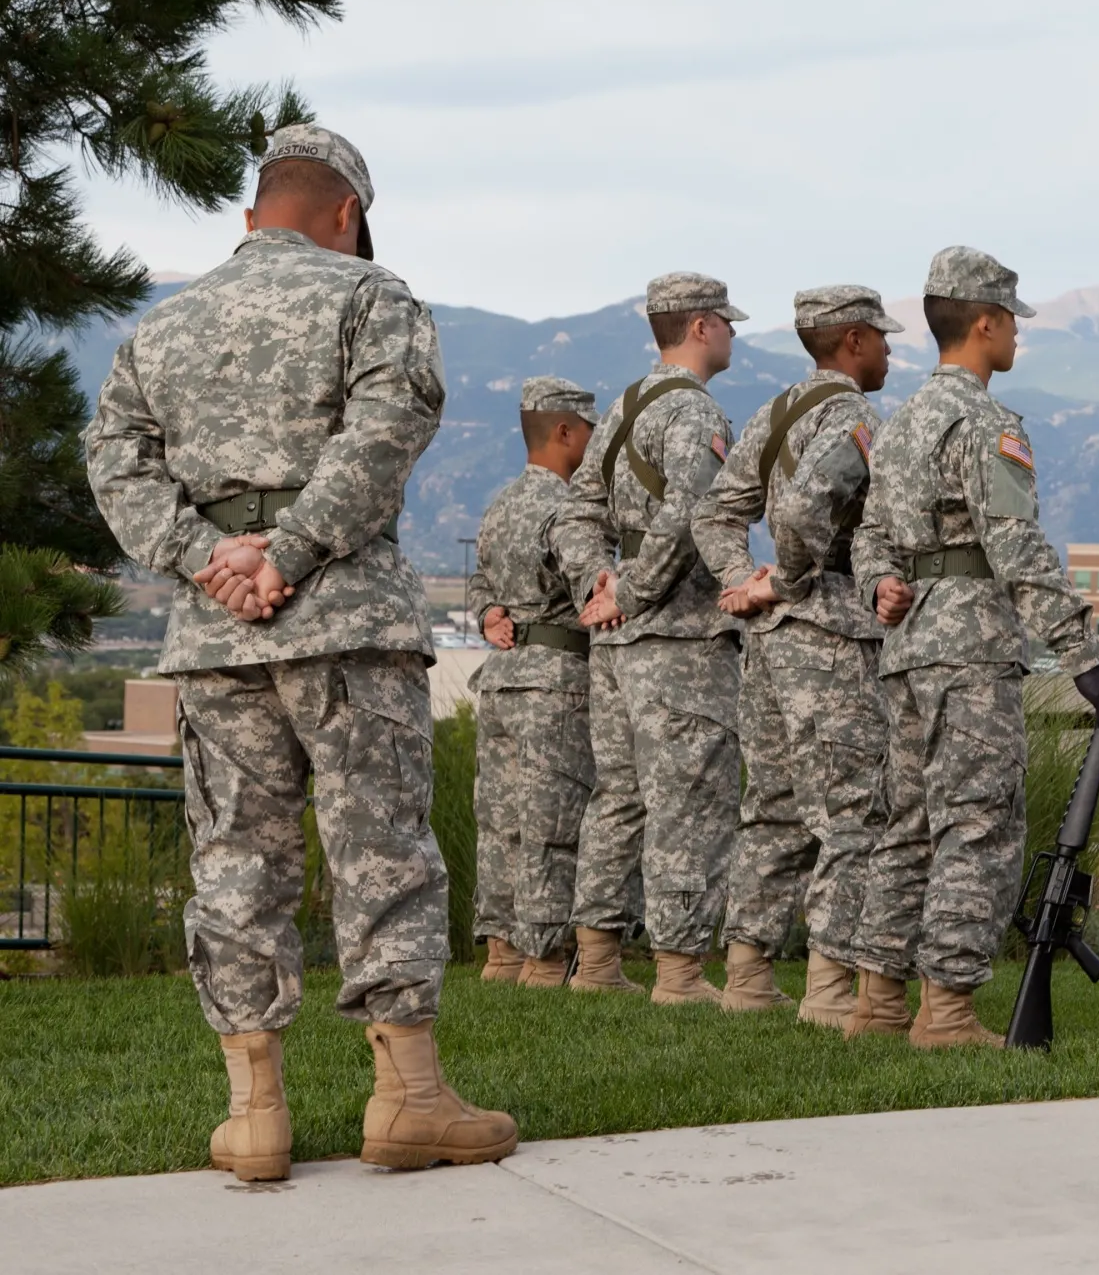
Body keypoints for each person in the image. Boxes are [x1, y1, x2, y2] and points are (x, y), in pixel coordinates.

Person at [83, 125, 514, 1181]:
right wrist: (294, 550)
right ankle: (409, 1099)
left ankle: (256, 1115)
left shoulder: (162, 327)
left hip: (217, 633)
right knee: (380, 851)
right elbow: (383, 432)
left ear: (250, 216)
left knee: (235, 861)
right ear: (345, 215)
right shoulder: (374, 296)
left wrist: (209, 557)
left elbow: (115, 462)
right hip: (347, 619)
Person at [847, 246, 1099, 1048]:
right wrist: (1085, 656)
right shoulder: (986, 424)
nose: (1016, 338)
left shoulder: (897, 430)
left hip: (904, 651)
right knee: (977, 825)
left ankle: (878, 1002)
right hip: (968, 649)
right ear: (986, 322)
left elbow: (869, 539)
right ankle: (948, 1010)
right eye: (1011, 323)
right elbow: (1018, 548)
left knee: (904, 824)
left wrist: (879, 587)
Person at [689, 286, 900, 1025]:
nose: (887, 350)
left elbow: (714, 511)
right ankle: (831, 987)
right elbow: (813, 509)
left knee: (774, 807)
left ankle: (747, 973)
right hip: (831, 634)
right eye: (879, 337)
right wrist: (783, 578)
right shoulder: (854, 417)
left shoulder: (776, 412)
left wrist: (743, 581)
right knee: (854, 812)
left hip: (771, 642)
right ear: (851, 341)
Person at [557, 273, 745, 1002]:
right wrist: (628, 591)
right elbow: (689, 518)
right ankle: (679, 972)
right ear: (700, 326)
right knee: (689, 801)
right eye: (725, 320)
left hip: (616, 641)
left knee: (620, 798)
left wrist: (598, 587)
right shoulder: (698, 415)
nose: (732, 331)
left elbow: (574, 514)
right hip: (678, 641)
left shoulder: (620, 412)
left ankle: (598, 961)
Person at [466, 377, 600, 988]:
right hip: (556, 680)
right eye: (591, 431)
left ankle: (500, 954)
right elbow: (594, 587)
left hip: (501, 682)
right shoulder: (569, 509)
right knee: (554, 822)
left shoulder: (499, 505)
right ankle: (544, 963)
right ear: (565, 431)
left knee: (502, 823)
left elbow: (482, 588)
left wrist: (488, 613)